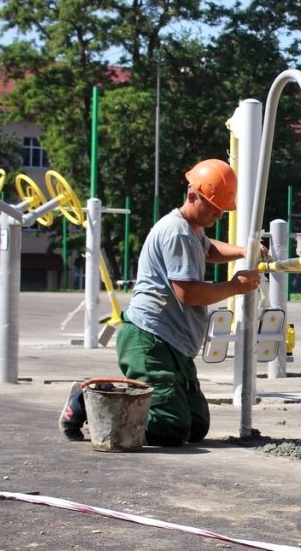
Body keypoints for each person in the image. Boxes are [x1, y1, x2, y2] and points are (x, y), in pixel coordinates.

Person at [60, 159, 263, 446]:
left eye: (222, 210)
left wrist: (242, 251)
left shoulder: (193, 229)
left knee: (196, 426)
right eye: (213, 208)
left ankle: (113, 403)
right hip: (150, 339)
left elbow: (208, 250)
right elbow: (187, 294)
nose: (218, 215)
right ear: (192, 195)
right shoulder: (177, 231)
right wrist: (234, 286)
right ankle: (90, 401)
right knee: (170, 427)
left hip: (172, 344)